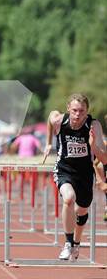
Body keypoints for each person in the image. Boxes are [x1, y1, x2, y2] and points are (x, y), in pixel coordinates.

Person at [43, 93, 106, 261]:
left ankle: (77, 243)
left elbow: (105, 159)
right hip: (64, 169)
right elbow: (51, 117)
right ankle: (68, 243)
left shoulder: (94, 125)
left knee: (81, 211)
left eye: (82, 111)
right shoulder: (60, 121)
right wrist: (49, 142)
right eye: (75, 110)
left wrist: (93, 146)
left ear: (87, 111)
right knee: (69, 198)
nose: (78, 115)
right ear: (68, 109)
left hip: (85, 173)